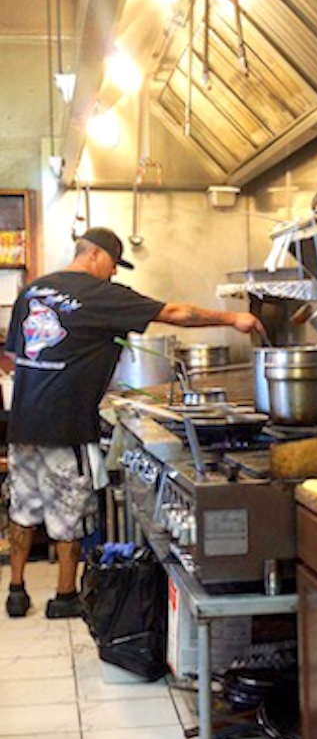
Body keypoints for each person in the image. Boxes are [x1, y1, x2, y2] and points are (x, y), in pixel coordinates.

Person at [0, 227, 266, 619]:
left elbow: (16, 355)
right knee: (70, 512)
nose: (113, 274)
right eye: (112, 265)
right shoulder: (100, 294)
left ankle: (16, 592)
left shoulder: (31, 292)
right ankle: (64, 596)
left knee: (22, 509)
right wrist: (233, 318)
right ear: (95, 256)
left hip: (22, 426)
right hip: (66, 427)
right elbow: (176, 313)